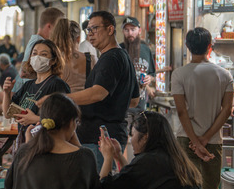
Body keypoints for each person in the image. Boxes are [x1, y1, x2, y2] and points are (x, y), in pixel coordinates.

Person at [57, 11, 139, 170]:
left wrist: (61, 99)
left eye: (95, 29)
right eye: (88, 30)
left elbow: (97, 93)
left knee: (96, 188)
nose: (90, 34)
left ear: (110, 30)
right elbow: (134, 99)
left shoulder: (111, 58)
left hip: (100, 139)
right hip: (110, 135)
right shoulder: (121, 56)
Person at [172, 27, 233, 189]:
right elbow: (227, 110)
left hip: (185, 141)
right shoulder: (224, 75)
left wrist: (195, 142)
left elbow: (181, 112)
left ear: (188, 47)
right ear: (210, 46)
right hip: (214, 141)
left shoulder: (179, 74)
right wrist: (206, 139)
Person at [2, 40, 70, 135]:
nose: (37, 57)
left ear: (53, 61)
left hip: (46, 143)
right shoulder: (28, 85)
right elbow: (7, 114)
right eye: (34, 53)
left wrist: (35, 119)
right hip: (26, 143)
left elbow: (65, 120)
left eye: (43, 54)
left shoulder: (57, 84)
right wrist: (7, 93)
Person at [120, 17, 156, 110]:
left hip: (141, 104)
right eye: (126, 30)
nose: (130, 33)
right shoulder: (118, 50)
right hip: (122, 105)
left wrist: (149, 79)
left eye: (133, 29)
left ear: (139, 30)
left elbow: (152, 73)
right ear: (123, 31)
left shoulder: (146, 50)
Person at [50, 18, 95, 93]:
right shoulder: (91, 59)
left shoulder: (54, 61)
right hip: (86, 102)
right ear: (78, 39)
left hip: (61, 102)